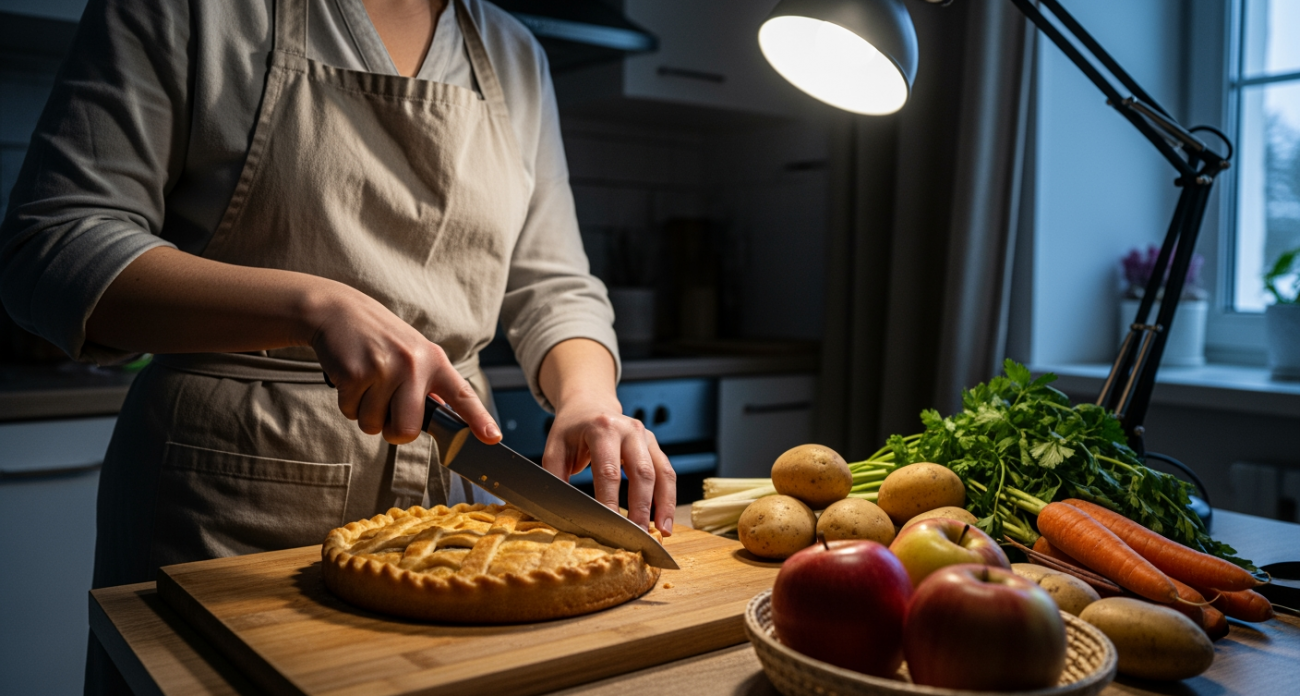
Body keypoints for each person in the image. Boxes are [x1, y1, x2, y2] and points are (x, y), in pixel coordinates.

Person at [0, 0, 675, 690]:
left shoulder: (513, 51)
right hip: (222, 503)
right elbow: (50, 247)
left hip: (454, 508)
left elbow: (553, 283)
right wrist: (313, 306)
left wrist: (589, 396)